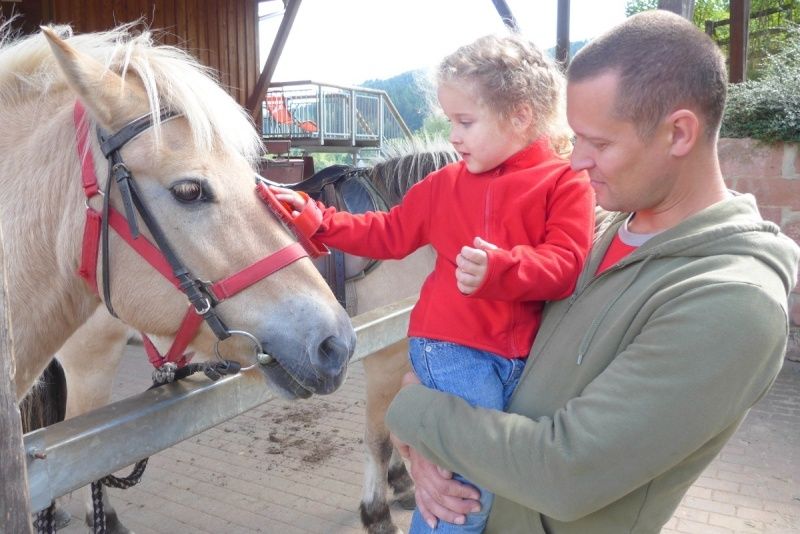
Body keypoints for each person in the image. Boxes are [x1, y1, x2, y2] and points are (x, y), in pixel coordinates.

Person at [384, 10, 800, 534]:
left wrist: (412, 410)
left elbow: (564, 473)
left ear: (678, 133)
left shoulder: (730, 301)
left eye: (599, 144)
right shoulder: (596, 233)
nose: (576, 161)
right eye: (575, 137)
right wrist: (430, 454)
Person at [271, 33, 594, 533]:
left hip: (517, 357)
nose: (453, 136)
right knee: (469, 487)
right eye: (450, 121)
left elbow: (567, 262)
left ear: (521, 117)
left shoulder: (564, 184)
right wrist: (318, 219)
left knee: (467, 477)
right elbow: (388, 231)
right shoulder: (444, 185)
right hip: (452, 347)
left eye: (465, 122)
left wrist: (502, 270)